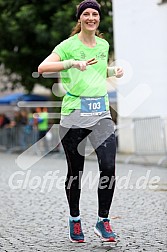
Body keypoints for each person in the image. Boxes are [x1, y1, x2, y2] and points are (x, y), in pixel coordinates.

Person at [38, 0, 123, 243]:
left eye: (94, 14)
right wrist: (71, 63)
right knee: (76, 172)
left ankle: (102, 221)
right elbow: (43, 67)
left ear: (98, 19)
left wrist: (111, 72)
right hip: (74, 113)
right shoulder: (68, 45)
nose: (91, 17)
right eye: (86, 13)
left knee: (108, 167)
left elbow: (96, 70)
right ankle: (75, 220)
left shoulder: (103, 44)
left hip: (101, 113)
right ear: (80, 18)